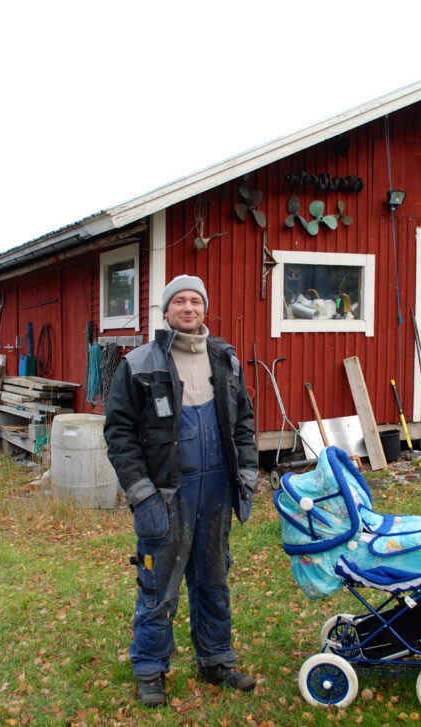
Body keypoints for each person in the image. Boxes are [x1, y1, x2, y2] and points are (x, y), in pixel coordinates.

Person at [103, 274, 259, 707]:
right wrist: (142, 495)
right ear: (166, 310)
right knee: (158, 585)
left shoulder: (225, 360)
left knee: (213, 579)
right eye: (179, 302)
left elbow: (244, 423)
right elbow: (119, 434)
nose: (188, 309)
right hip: (167, 494)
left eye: (196, 302)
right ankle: (150, 669)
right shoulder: (139, 363)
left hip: (215, 492)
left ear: (204, 310)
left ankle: (216, 660)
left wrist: (246, 475)